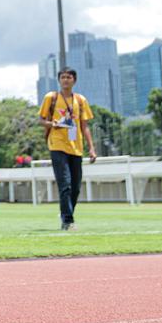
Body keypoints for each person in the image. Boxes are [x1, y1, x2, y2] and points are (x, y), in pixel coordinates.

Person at [39, 68, 97, 230]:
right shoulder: (51, 98)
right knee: (65, 184)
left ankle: (65, 212)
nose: (66, 80)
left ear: (74, 80)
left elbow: (84, 126)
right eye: (63, 77)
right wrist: (52, 124)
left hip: (76, 147)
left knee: (76, 187)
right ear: (59, 80)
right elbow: (41, 120)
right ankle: (68, 221)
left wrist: (91, 148)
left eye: (69, 77)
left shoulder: (80, 100)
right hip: (57, 145)